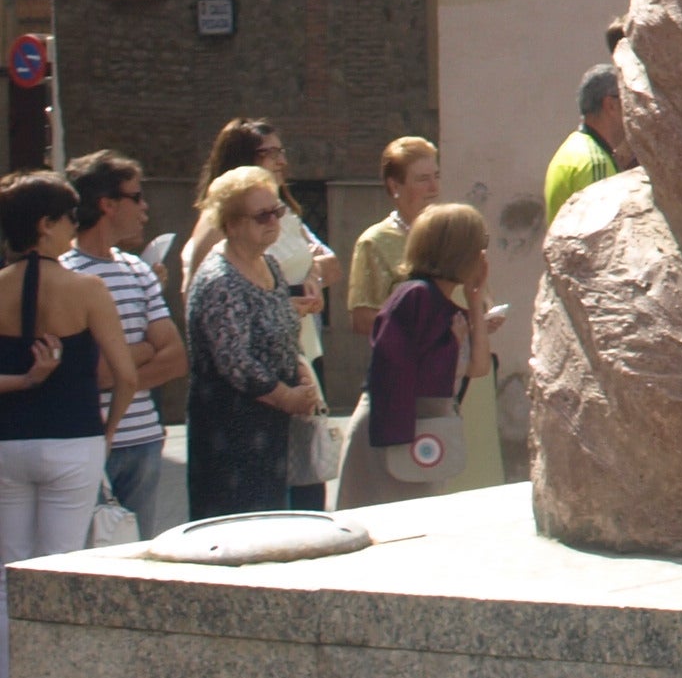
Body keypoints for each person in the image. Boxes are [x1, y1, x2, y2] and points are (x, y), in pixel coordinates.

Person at [0, 170, 136, 678]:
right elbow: (125, 376)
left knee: (8, 580)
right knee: (57, 575)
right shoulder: (87, 290)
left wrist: (24, 381)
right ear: (45, 225)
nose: (72, 225)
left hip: (7, 442)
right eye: (66, 217)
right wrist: (104, 439)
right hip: (74, 441)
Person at [341, 203, 504, 510]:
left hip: (426, 431)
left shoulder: (444, 302)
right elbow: (397, 368)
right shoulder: (413, 297)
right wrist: (451, 347)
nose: (483, 256)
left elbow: (479, 367)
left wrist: (475, 298)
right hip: (394, 432)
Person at [183, 165, 322, 518]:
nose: (273, 221)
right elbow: (236, 362)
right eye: (261, 216)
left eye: (276, 211)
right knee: (237, 527)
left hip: (271, 428)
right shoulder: (219, 280)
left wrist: (302, 376)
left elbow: (279, 329)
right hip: (232, 433)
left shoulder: (271, 265)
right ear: (231, 224)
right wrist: (287, 396)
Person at [59, 155, 178, 537]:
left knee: (138, 553)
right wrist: (144, 348)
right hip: (91, 441)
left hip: (144, 439)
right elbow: (93, 374)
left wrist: (121, 369)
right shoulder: (67, 274)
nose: (145, 209)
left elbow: (175, 357)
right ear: (107, 204)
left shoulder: (137, 269)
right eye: (136, 197)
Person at [343, 135, 440, 362]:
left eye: (437, 176)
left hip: (461, 367)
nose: (434, 188)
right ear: (395, 186)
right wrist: (424, 330)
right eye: (423, 179)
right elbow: (362, 319)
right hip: (406, 367)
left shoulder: (450, 232)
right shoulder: (374, 242)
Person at [544, 65, 626, 227]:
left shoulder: (572, 148)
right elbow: (602, 235)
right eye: (628, 99)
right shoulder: (595, 162)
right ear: (610, 105)